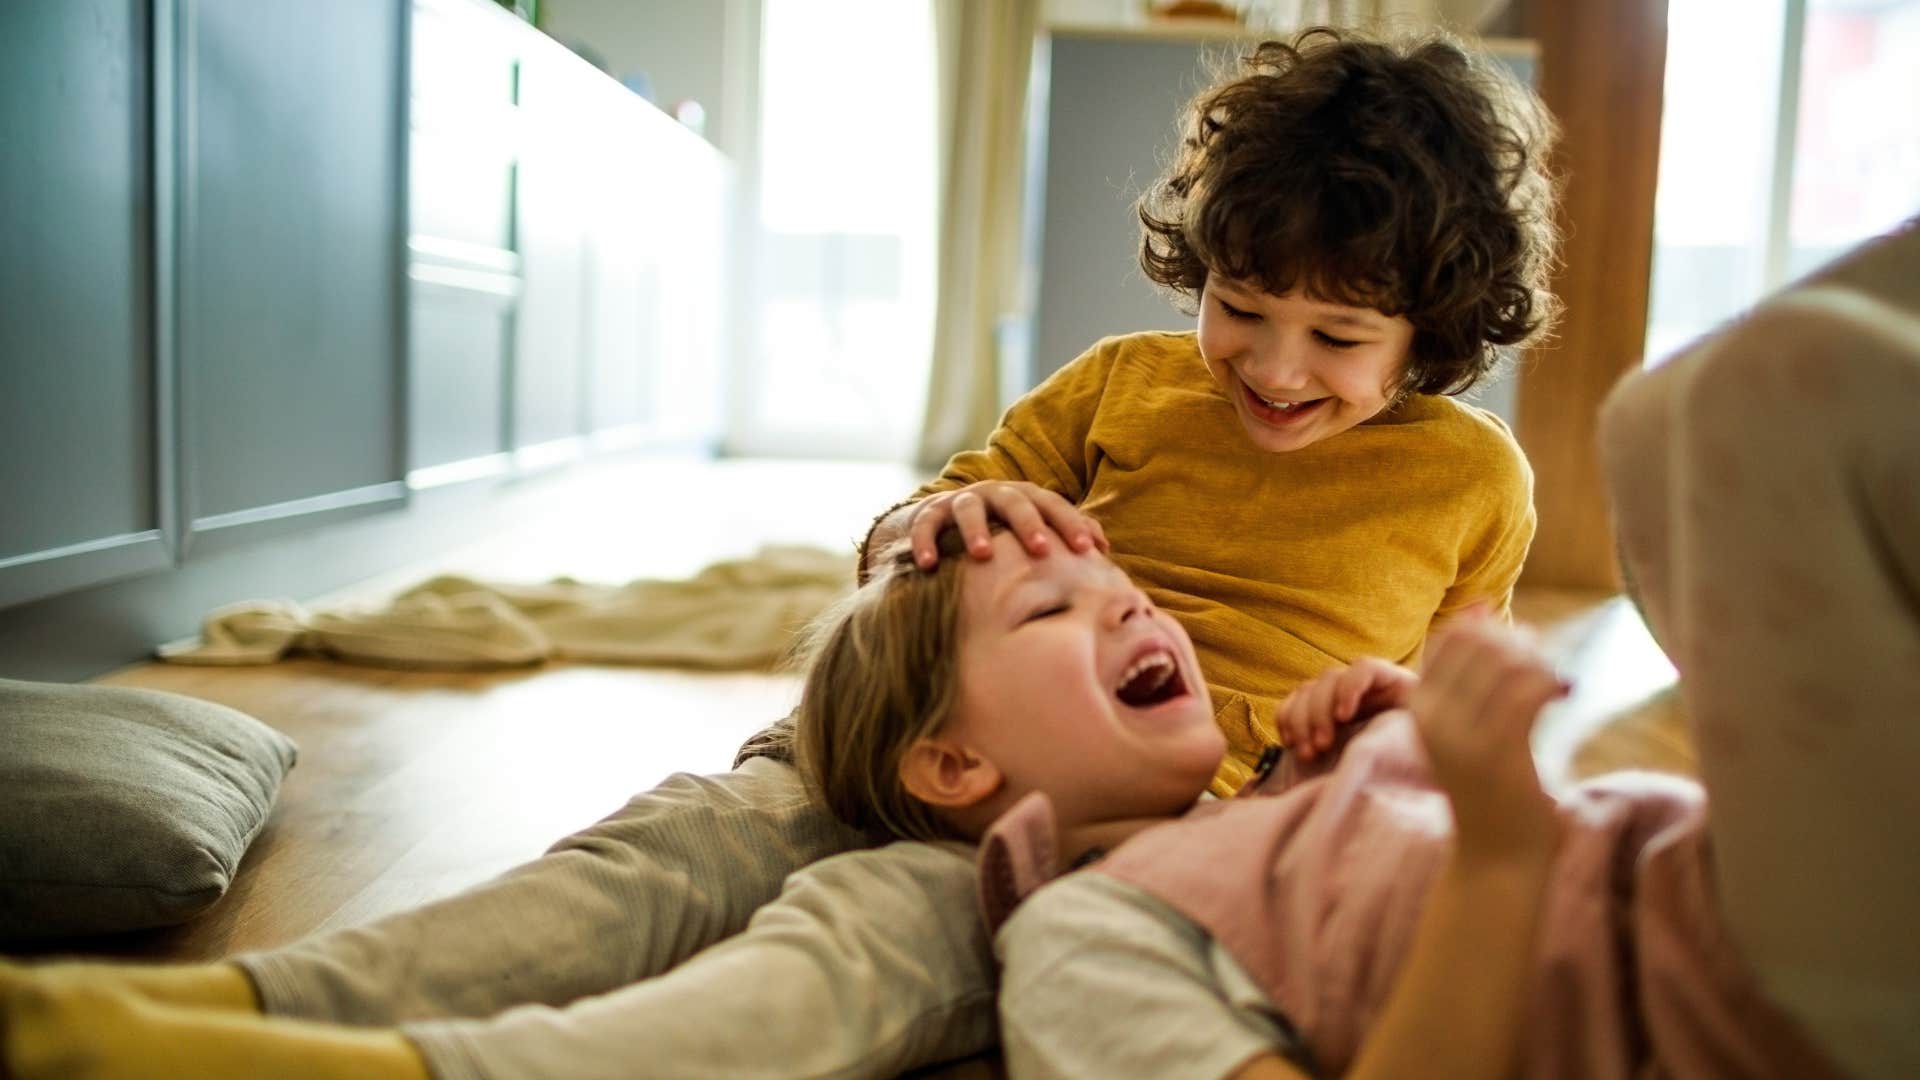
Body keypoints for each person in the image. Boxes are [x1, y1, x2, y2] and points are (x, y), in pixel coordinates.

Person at [0, 26, 1561, 1078]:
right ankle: (233, 1008)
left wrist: (1372, 730)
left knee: (858, 949)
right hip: (917, 730)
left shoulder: (1474, 481)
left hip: (1121, 841)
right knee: (671, 852)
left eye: (1338, 337)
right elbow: (913, 531)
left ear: (1434, 330)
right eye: (1240, 307)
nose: (1275, 365)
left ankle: (418, 1069)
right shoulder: (1118, 386)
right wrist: (928, 527)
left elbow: (1438, 720)